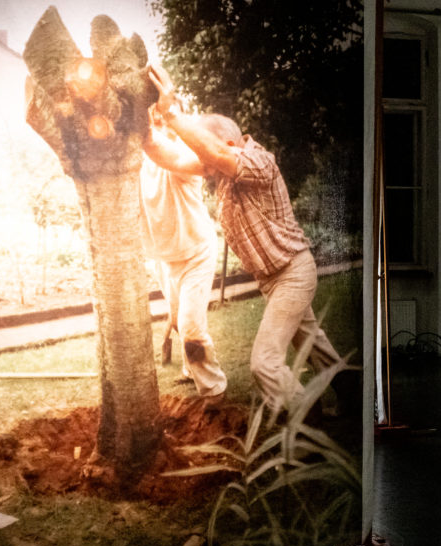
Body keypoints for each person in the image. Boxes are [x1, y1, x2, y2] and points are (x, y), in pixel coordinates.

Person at [145, 63, 341, 412]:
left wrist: (172, 111)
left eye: (205, 147)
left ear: (231, 143)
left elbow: (216, 154)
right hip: (272, 280)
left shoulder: (259, 161)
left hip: (292, 274)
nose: (199, 157)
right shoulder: (219, 172)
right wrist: (141, 126)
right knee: (314, 344)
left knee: (264, 364)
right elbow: (170, 155)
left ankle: (303, 425)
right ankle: (356, 392)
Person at [141, 118, 228, 401]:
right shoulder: (134, 165)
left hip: (196, 253)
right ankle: (191, 369)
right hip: (166, 259)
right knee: (180, 323)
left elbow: (194, 161)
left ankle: (214, 390)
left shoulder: (181, 157)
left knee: (190, 327)